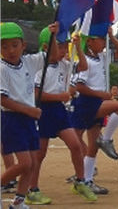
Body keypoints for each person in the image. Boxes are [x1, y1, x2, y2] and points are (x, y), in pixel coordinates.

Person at [27, 28, 97, 204]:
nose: (64, 51)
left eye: (66, 47)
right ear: (46, 47)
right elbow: (37, 94)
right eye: (60, 47)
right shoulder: (39, 68)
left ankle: (80, 181)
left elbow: (83, 66)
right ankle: (32, 189)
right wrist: (60, 96)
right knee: (39, 153)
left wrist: (78, 47)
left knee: (75, 145)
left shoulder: (64, 65)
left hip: (59, 111)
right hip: (43, 111)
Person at [1, 22, 58, 209]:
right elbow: (3, 100)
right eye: (4, 45)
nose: (10, 50)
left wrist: (53, 37)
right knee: (25, 163)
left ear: (23, 45)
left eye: (14, 45)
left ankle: (19, 201)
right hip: (12, 119)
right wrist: (30, 110)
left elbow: (52, 56)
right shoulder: (2, 68)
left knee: (32, 163)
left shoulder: (28, 62)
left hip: (28, 120)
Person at [71, 28, 118, 194]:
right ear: (89, 41)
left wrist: (111, 36)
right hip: (87, 103)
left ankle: (86, 180)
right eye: (100, 39)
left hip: (95, 102)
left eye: (104, 39)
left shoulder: (101, 57)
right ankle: (107, 140)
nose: (103, 43)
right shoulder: (84, 61)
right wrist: (101, 94)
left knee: (92, 146)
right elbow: (80, 86)